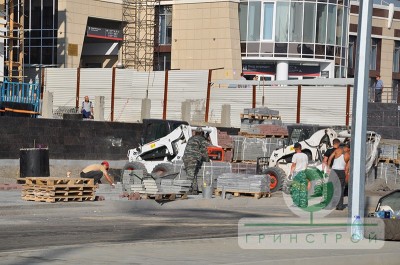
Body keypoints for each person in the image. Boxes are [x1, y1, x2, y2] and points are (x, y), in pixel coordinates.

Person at [182, 127, 210, 194]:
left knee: (192, 173)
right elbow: (204, 151)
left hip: (185, 157)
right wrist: (207, 160)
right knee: (191, 175)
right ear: (201, 133)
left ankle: (194, 190)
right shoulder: (201, 139)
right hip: (193, 157)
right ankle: (187, 190)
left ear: (195, 132)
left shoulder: (191, 138)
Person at [327, 143, 350, 210]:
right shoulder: (348, 155)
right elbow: (347, 168)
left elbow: (330, 157)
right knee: (340, 189)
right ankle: (340, 206)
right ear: (348, 148)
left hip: (334, 171)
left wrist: (328, 167)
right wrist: (346, 176)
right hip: (341, 172)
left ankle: (329, 205)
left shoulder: (337, 150)